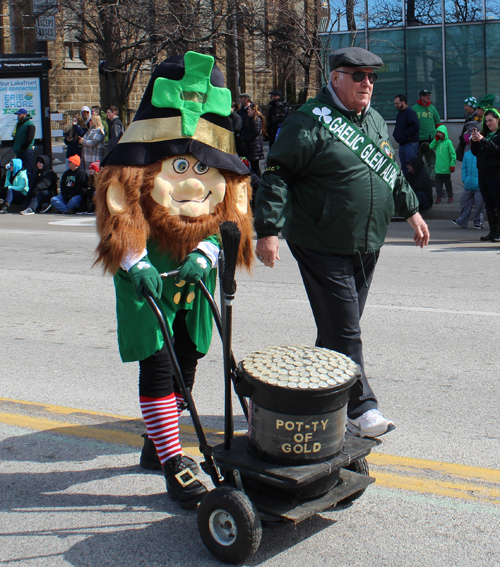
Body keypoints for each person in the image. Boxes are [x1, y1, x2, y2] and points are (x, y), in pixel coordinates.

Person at [95, 51, 254, 507]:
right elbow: (118, 218)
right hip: (151, 276)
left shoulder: (231, 178)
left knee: (187, 364)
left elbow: (233, 220)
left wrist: (207, 252)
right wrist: (135, 262)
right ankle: (171, 460)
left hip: (194, 279)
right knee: (158, 364)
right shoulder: (130, 169)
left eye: (202, 168)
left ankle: (153, 442)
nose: (190, 181)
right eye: (181, 168)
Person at [254, 46, 430, 439]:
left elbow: (392, 173)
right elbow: (277, 175)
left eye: (372, 77)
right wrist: (268, 230)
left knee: (336, 330)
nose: (367, 83)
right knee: (347, 329)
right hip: (320, 241)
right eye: (358, 76)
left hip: (366, 242)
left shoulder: (373, 122)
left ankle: (314, 395)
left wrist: (412, 212)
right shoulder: (307, 122)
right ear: (336, 78)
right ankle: (360, 408)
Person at [471, 108, 500, 242]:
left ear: (498, 120)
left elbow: (496, 151)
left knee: (497, 203)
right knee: (488, 204)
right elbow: (476, 153)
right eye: (486, 121)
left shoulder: (498, 135)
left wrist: (483, 141)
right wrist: (474, 140)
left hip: (496, 174)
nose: (488, 123)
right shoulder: (486, 134)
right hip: (483, 174)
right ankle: (493, 231)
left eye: (491, 120)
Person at [452, 149, 483, 229]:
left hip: (479, 185)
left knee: (479, 204)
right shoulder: (467, 154)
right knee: (464, 202)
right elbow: (464, 167)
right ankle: (463, 220)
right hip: (469, 183)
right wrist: (464, 179)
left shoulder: (482, 153)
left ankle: (478, 222)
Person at [393, 94, 420, 176]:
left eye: (397, 103)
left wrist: (405, 135)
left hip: (410, 144)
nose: (396, 106)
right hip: (402, 144)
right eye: (395, 104)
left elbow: (415, 126)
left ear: (403, 102)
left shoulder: (410, 113)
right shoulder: (400, 114)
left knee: (411, 167)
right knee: (404, 167)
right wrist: (396, 134)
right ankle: (406, 184)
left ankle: (414, 185)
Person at [430, 125, 456, 204]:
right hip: (438, 169)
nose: (439, 134)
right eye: (438, 132)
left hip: (446, 169)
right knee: (438, 185)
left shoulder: (448, 142)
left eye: (440, 132)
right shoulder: (437, 142)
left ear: (444, 133)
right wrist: (435, 140)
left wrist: (452, 164)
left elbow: (452, 154)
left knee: (448, 184)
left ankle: (450, 196)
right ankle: (438, 197)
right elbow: (431, 147)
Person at [241, 103, 266, 178]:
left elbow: (256, 131)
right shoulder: (250, 118)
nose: (247, 111)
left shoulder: (256, 119)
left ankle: (258, 181)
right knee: (253, 165)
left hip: (254, 146)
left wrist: (247, 138)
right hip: (252, 146)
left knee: (255, 166)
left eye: (249, 110)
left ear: (253, 110)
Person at [11, 108, 36, 181]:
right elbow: (15, 136)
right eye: (17, 115)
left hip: (26, 151)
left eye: (19, 114)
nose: (18, 116)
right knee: (19, 170)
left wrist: (22, 147)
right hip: (19, 151)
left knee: (28, 169)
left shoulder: (29, 124)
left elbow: (29, 139)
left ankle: (29, 186)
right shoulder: (18, 125)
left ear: (24, 115)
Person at [456, 97, 482, 162]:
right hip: (466, 143)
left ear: (472, 107)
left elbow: (475, 129)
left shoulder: (477, 118)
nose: (464, 108)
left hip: (471, 144)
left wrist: (467, 136)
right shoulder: (469, 116)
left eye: (466, 106)